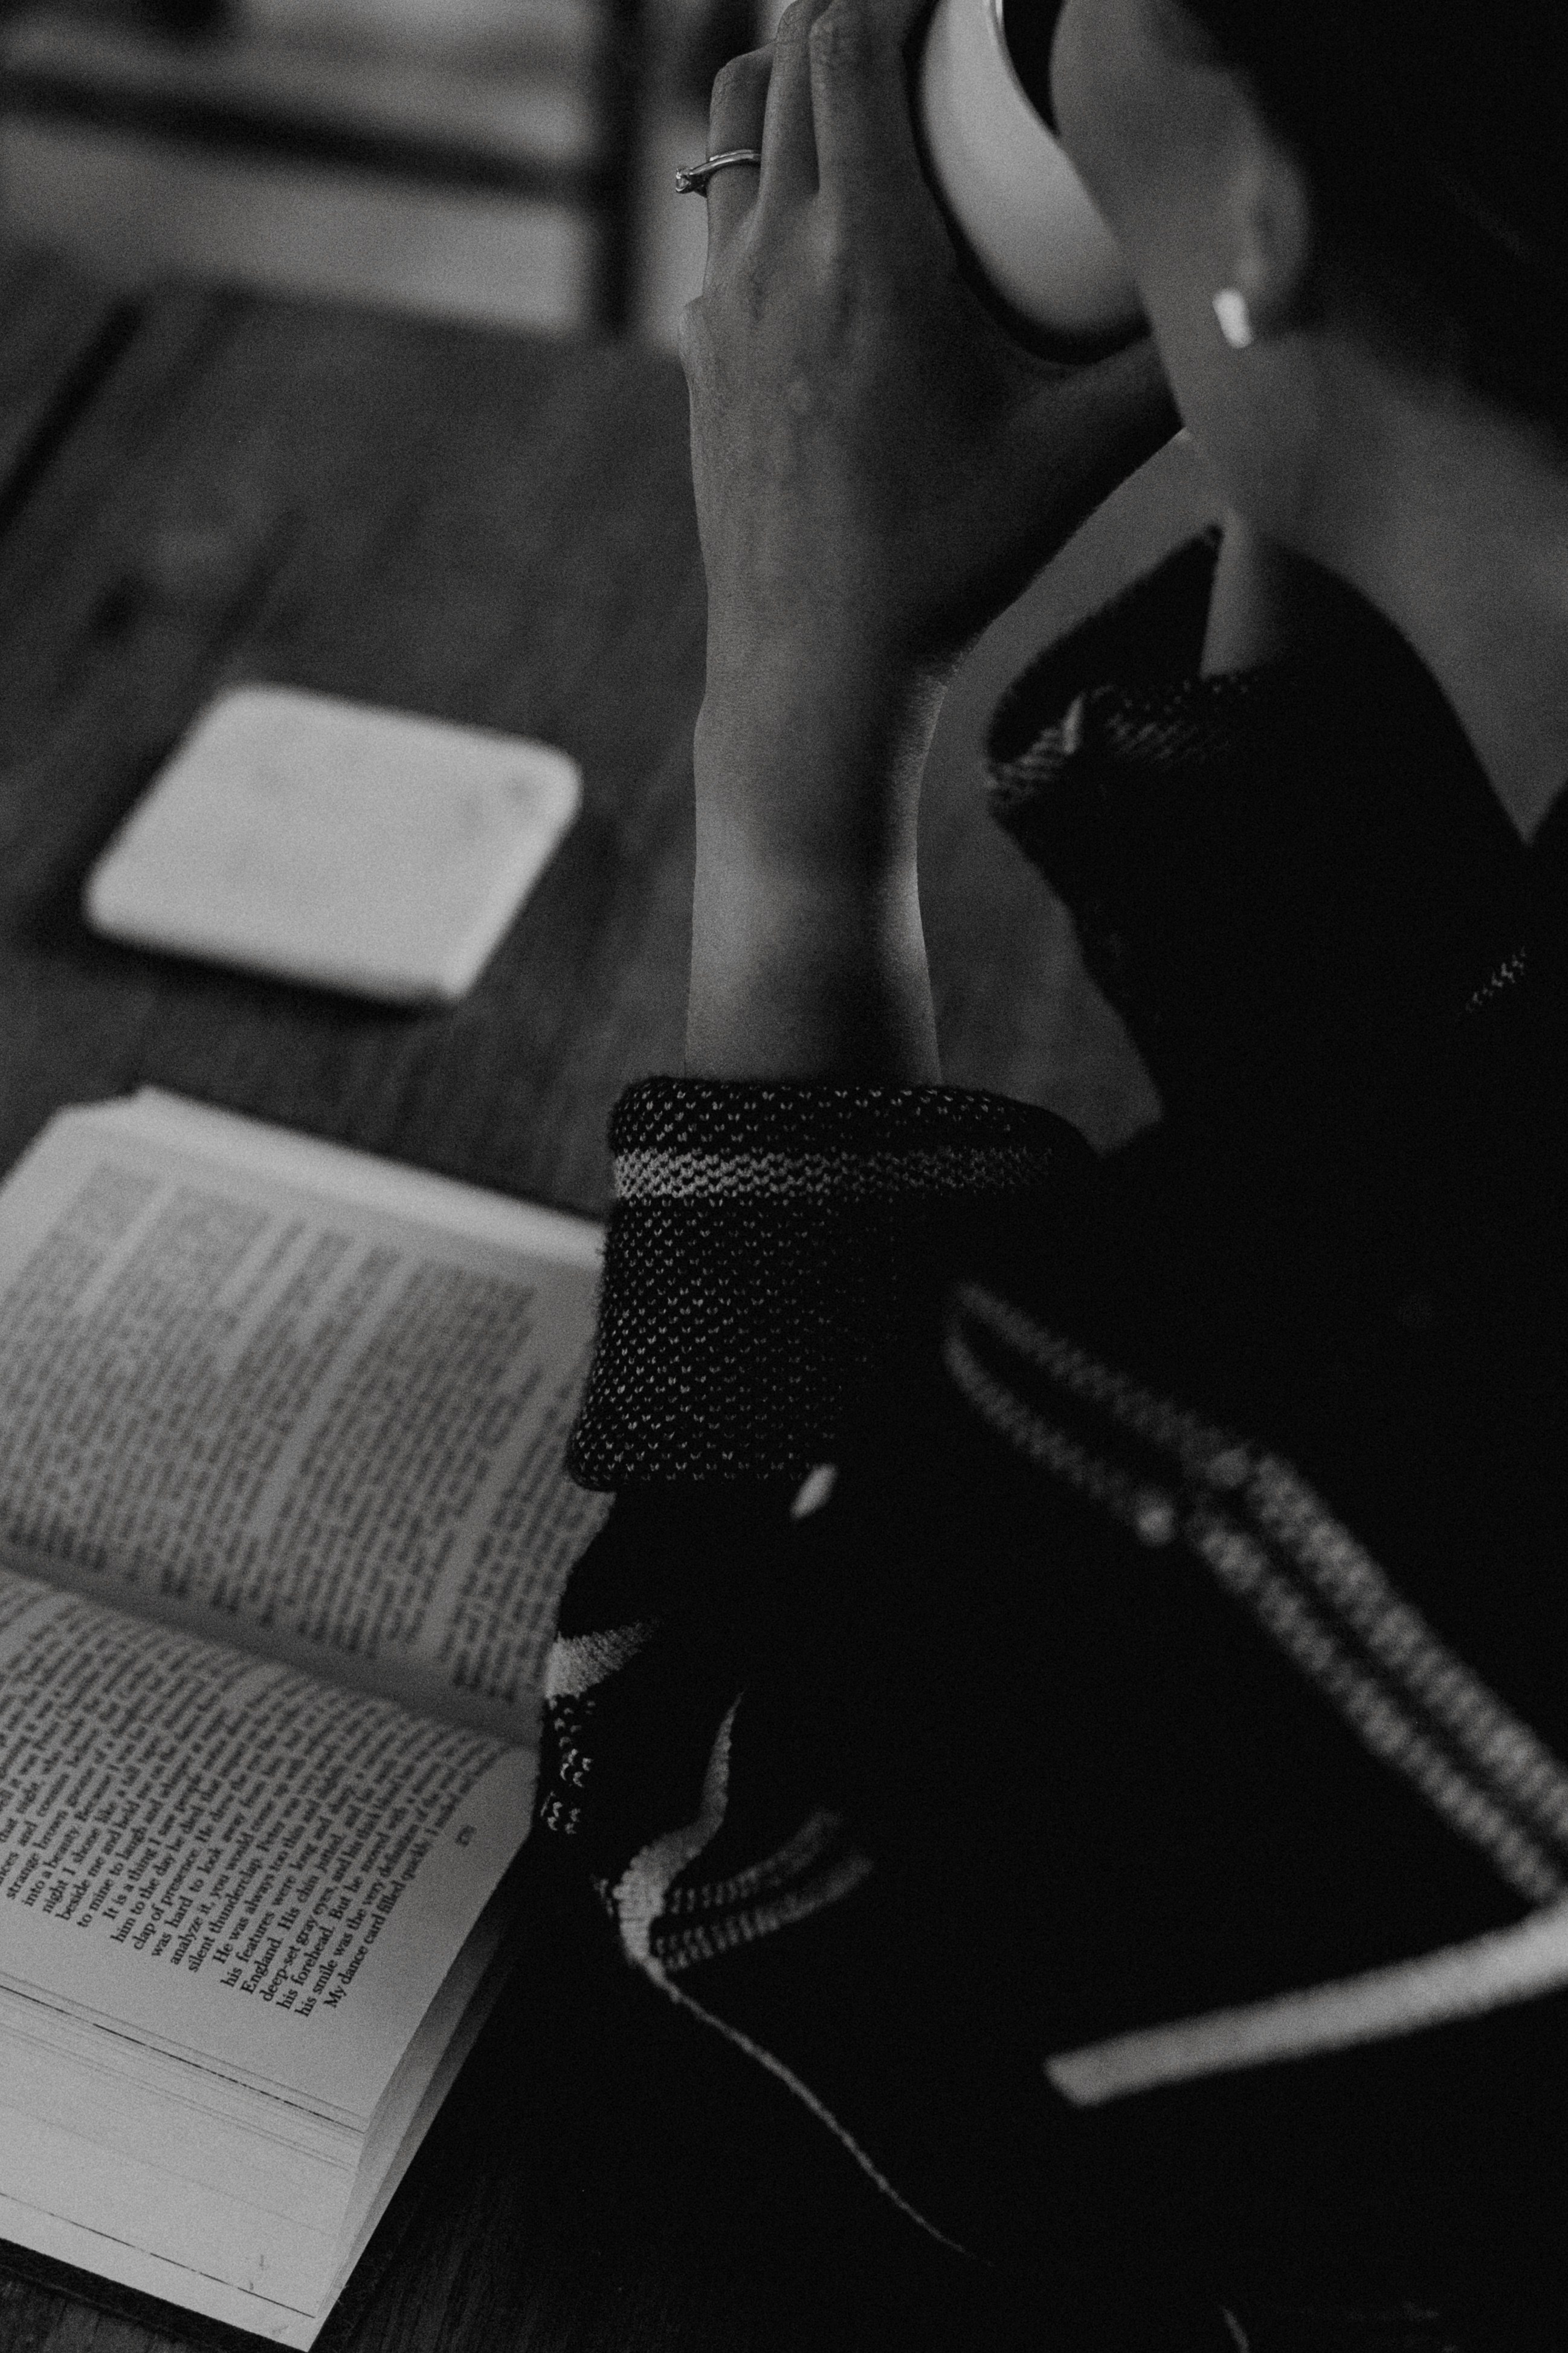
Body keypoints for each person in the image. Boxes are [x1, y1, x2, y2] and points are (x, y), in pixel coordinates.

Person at [535, 0, 1568, 2342]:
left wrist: (796, 737)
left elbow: (719, 1842)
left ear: (1276, 204)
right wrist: (1303, 439)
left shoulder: (1263, 1489)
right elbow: (1366, 1141)